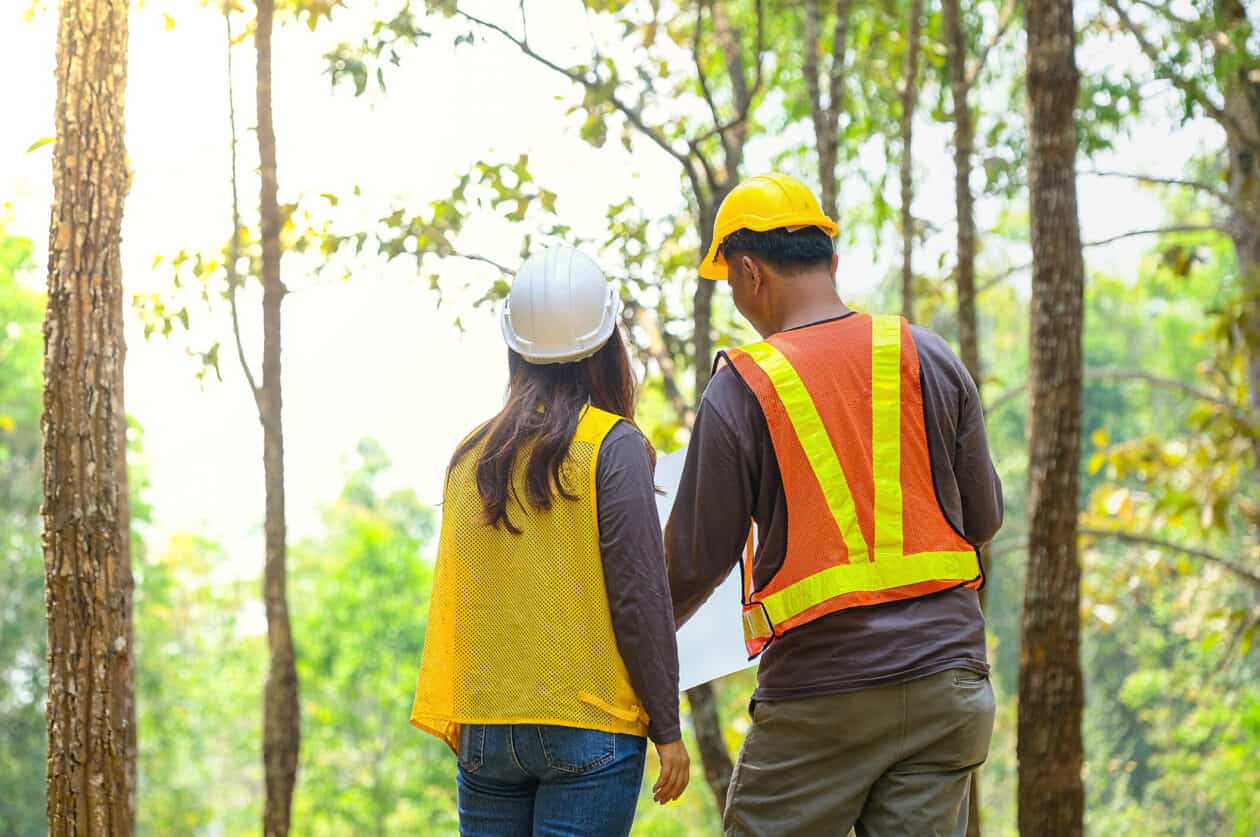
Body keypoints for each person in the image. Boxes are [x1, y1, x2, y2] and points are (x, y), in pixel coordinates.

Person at [666, 173, 1003, 836]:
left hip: (823, 696)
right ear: (833, 262)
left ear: (748, 271)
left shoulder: (744, 387)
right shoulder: (925, 353)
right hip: (949, 688)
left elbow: (690, 566)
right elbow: (983, 518)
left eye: (730, 283)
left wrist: (628, 661)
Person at [411, 245, 690, 836]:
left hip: (488, 728)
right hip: (589, 729)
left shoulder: (471, 457)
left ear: (515, 347)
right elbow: (639, 599)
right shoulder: (612, 448)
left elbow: (465, 605)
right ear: (607, 345)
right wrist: (668, 729)